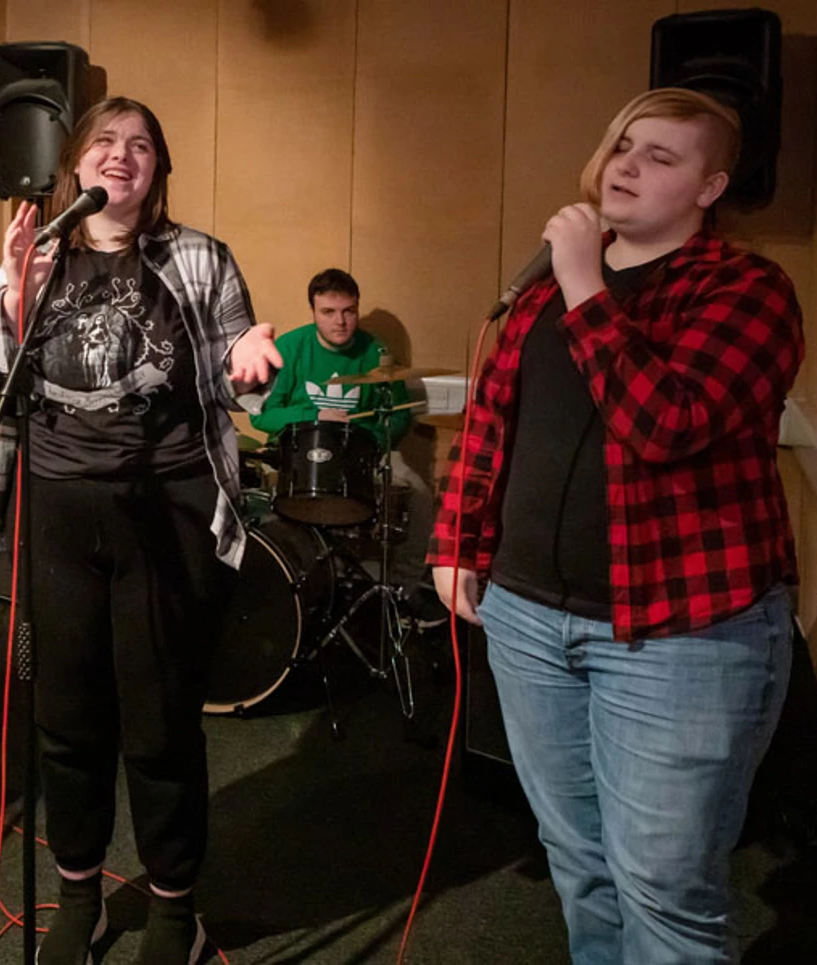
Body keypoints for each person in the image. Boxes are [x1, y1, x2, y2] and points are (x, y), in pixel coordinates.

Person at [430, 88, 803, 964]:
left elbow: (665, 422)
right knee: (580, 863)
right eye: (623, 146)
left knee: (665, 889)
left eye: (660, 157)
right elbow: (491, 425)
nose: (627, 165)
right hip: (527, 620)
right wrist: (455, 540)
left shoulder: (746, 288)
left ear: (711, 187)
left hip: (679, 635)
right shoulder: (539, 296)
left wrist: (586, 286)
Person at [0, 96, 280, 965]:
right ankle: (80, 897)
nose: (122, 155)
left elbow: (234, 370)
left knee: (161, 722)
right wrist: (16, 288)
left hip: (167, 513)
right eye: (105, 140)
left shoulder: (199, 257)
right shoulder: (37, 255)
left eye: (142, 145)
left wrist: (248, 360)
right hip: (58, 513)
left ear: (158, 171)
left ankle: (176, 908)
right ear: (76, 163)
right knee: (66, 720)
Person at [250, 268, 436, 611]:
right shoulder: (290, 347)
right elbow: (261, 415)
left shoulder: (376, 351)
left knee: (421, 495)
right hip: (305, 450)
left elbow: (399, 416)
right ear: (314, 312)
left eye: (348, 311)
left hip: (364, 452)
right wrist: (313, 417)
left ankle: (403, 592)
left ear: (356, 308)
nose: (340, 321)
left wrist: (370, 434)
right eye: (329, 312)